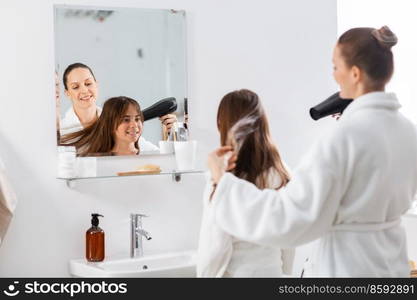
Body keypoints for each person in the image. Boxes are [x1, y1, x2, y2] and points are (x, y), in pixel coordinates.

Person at [206, 26, 417, 277]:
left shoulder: (343, 137)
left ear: (355, 74)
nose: (334, 75)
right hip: (392, 267)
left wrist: (225, 183)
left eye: (335, 67)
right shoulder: (408, 131)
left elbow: (290, 218)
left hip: (350, 269)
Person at [197, 89, 294, 277]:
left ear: (221, 124)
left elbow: (215, 247)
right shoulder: (281, 173)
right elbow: (289, 241)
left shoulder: (222, 179)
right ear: (262, 123)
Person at [59, 62, 177, 151]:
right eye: (75, 87)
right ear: (67, 93)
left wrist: (173, 134)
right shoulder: (62, 131)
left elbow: (153, 153)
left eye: (88, 83)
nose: (84, 90)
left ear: (96, 84)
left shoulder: (117, 123)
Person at [61, 96, 146, 156]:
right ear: (110, 125)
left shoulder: (150, 154)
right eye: (126, 120)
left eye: (137, 119)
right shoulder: (97, 161)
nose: (134, 125)